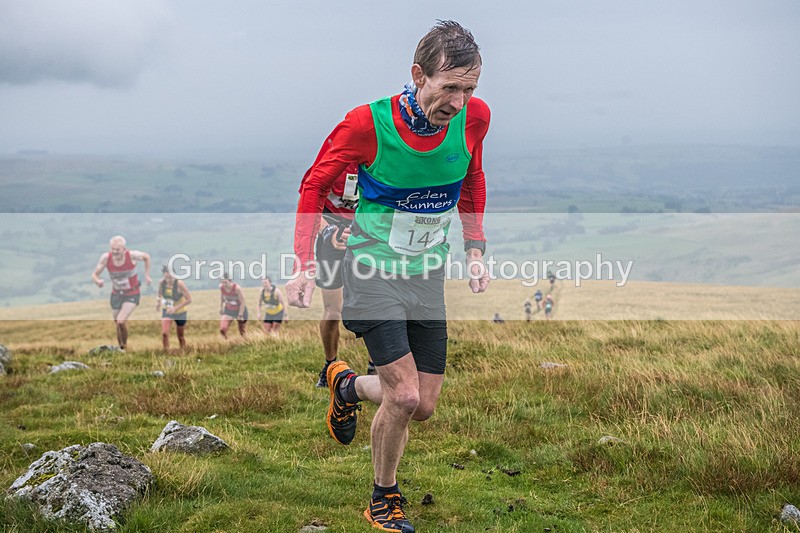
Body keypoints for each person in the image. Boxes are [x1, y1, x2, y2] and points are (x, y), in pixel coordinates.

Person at [286, 20, 490, 533]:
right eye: (450, 87)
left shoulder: (474, 119)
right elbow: (313, 185)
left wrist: (476, 248)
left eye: (469, 89)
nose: (459, 102)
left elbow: (471, 178)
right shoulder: (366, 124)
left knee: (424, 405)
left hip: (426, 275)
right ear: (419, 75)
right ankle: (384, 497)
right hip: (370, 271)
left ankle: (347, 386)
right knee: (403, 396)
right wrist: (304, 264)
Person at [91, 235, 151, 351]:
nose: (114, 252)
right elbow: (94, 274)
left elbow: (146, 257)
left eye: (117, 249)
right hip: (116, 294)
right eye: (112, 249)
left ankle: (124, 347)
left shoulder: (131, 255)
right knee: (118, 323)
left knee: (120, 321)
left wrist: (147, 275)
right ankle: (121, 349)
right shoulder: (106, 258)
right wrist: (97, 281)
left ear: (124, 249)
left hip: (132, 293)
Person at [155, 265, 192, 350]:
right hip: (167, 311)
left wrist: (175, 308)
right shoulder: (162, 283)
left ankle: (183, 352)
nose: (168, 280)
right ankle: (166, 352)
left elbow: (189, 299)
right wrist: (158, 303)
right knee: (164, 333)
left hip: (180, 312)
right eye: (166, 277)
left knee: (180, 336)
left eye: (170, 277)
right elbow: (159, 293)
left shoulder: (179, 284)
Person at [219, 274, 248, 338]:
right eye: (222, 282)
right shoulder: (221, 287)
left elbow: (243, 302)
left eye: (225, 282)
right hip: (229, 309)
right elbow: (222, 298)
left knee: (242, 331)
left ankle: (246, 342)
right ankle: (226, 341)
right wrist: (221, 308)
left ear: (230, 281)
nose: (224, 284)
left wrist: (240, 315)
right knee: (223, 329)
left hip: (240, 309)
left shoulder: (237, 288)